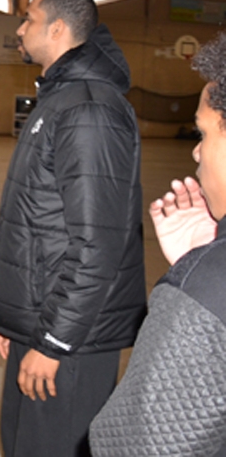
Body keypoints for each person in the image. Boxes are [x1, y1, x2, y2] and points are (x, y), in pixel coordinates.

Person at [0, 0, 146, 457]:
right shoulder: (60, 100)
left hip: (72, 341)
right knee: (19, 446)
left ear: (57, 28)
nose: (18, 29)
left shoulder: (88, 108)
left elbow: (99, 243)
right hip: (40, 323)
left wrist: (54, 343)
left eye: (28, 19)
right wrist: (17, 321)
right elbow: (38, 223)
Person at [88, 32, 226, 455]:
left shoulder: (206, 288)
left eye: (204, 135)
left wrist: (200, 272)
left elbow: (138, 443)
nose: (197, 154)